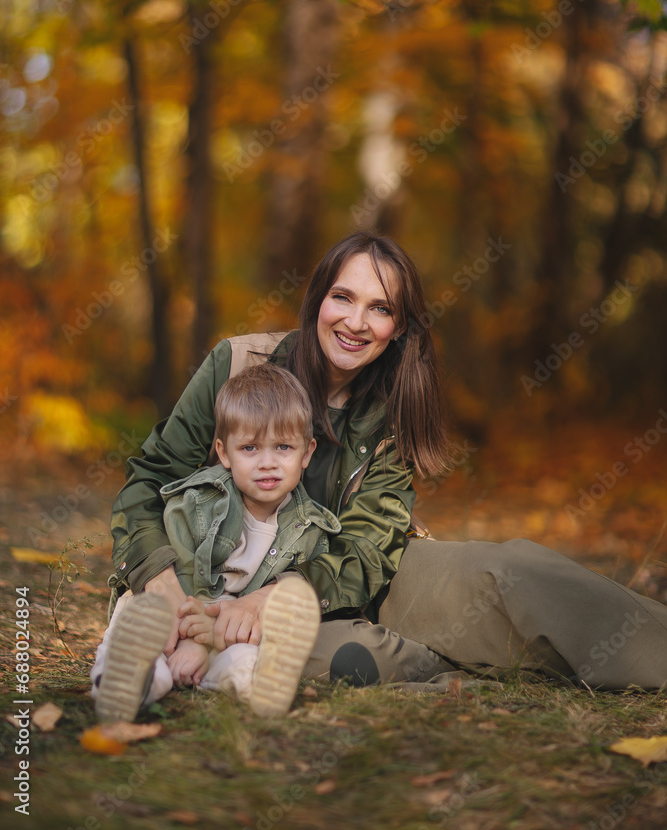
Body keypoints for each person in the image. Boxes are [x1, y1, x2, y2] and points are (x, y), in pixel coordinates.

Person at [108, 231, 667, 693]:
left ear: (399, 327)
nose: (356, 322)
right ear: (318, 299)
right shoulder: (237, 365)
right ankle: (440, 671)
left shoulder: (393, 409)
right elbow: (149, 481)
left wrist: (278, 595)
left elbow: (368, 546)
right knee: (342, 656)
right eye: (343, 298)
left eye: (381, 309)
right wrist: (161, 581)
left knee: (511, 572)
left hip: (338, 583)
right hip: (208, 581)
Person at [92, 364, 341, 721]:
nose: (267, 463)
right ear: (224, 453)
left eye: (283, 447)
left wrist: (217, 638)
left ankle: (258, 686)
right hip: (169, 607)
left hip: (226, 629)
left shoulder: (311, 529)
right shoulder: (198, 502)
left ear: (306, 453)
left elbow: (280, 601)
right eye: (250, 448)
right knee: (140, 631)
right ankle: (130, 680)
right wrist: (193, 639)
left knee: (245, 659)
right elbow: (179, 574)